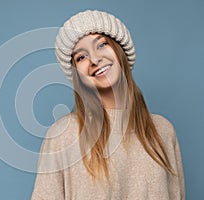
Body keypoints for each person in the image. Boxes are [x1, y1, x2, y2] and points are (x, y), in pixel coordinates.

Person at [31, 10, 185, 200]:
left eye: (102, 44)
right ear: (77, 74)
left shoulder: (163, 131)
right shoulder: (63, 136)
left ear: (120, 50)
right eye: (81, 57)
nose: (95, 59)